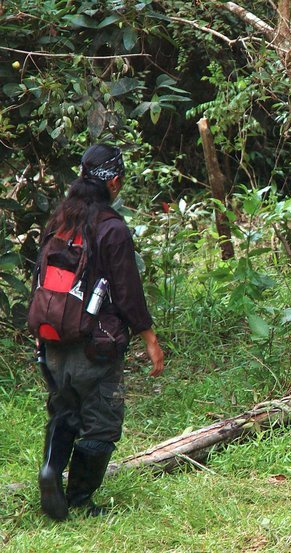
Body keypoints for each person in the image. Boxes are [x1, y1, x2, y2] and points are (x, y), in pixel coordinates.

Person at [34, 144, 164, 520]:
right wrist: (150, 339)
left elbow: (38, 281)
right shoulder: (111, 228)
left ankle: (50, 472)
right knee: (102, 423)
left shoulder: (60, 221)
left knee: (64, 411)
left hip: (53, 340)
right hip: (96, 345)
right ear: (115, 181)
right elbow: (127, 291)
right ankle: (79, 499)